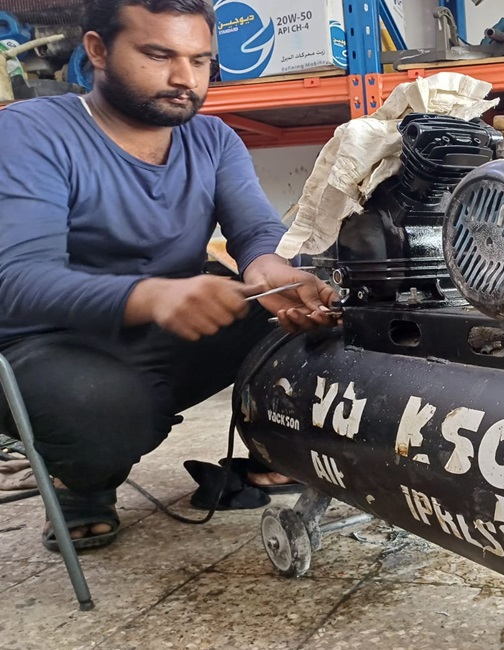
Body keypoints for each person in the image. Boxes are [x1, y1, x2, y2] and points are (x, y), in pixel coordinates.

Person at [0, 0, 336, 550]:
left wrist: (272, 271)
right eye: (159, 55)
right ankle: (82, 478)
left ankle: (272, 448)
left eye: (200, 61)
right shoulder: (31, 132)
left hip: (163, 320)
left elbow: (255, 232)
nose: (185, 79)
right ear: (98, 50)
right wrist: (152, 296)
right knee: (105, 411)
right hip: (49, 344)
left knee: (306, 322)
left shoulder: (213, 138)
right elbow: (19, 280)